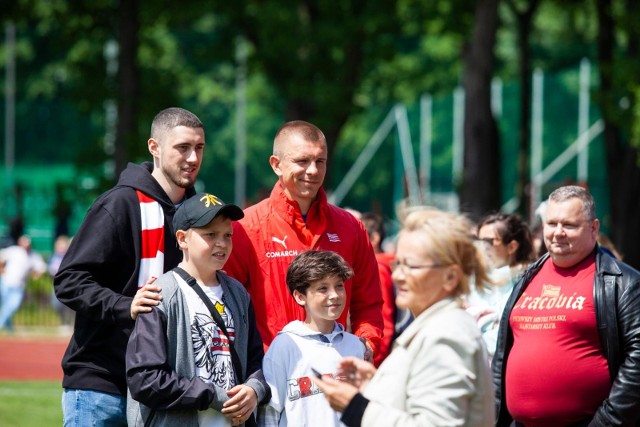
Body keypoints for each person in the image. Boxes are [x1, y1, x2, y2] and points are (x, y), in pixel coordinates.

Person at [54, 107, 206, 426]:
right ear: (155, 148)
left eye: (199, 148)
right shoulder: (121, 203)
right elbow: (68, 280)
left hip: (162, 388)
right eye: (183, 147)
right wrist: (126, 305)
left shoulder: (199, 216)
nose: (193, 158)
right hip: (101, 387)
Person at [314, 208, 495, 427]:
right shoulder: (437, 326)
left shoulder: (446, 335)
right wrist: (377, 385)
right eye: (398, 264)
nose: (398, 276)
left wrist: (356, 408)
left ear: (450, 276)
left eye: (411, 266)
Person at [224, 121, 383, 360]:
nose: (313, 170)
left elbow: (368, 303)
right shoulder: (245, 228)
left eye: (320, 161)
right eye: (302, 161)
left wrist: (367, 344)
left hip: (335, 372)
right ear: (276, 164)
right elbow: (226, 307)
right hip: (269, 374)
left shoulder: (350, 227)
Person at [493, 185, 640, 426]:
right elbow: (502, 354)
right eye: (551, 224)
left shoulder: (623, 283)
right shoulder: (528, 278)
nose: (558, 232)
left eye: (569, 225)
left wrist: (607, 421)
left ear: (593, 229)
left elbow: (637, 359)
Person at [127, 192, 269, 427]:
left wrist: (255, 389)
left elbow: (255, 361)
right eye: (210, 235)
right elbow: (145, 379)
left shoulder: (239, 294)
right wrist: (211, 395)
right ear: (182, 238)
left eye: (227, 235)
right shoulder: (160, 294)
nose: (221, 243)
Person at [259, 250, 366, 427]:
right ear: (300, 297)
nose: (334, 295)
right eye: (323, 288)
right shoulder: (285, 346)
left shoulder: (355, 346)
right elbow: (270, 412)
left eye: (339, 285)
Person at [465, 212, 535, 358]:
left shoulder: (528, 283)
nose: (480, 247)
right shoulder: (470, 281)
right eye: (477, 240)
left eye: (488, 241)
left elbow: (504, 339)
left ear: (512, 247)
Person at [359, 212, 395, 367]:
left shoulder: (378, 268)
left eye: (360, 236)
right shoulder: (390, 263)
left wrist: (374, 362)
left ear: (374, 239)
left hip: (380, 362)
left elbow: (385, 321)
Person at [0, 235, 46, 331]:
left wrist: (36, 275)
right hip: (6, 281)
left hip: (19, 285)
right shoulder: (14, 250)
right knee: (7, 306)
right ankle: (9, 327)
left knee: (13, 305)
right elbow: (1, 256)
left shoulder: (33, 255)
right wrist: (1, 269)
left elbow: (41, 268)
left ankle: (2, 324)